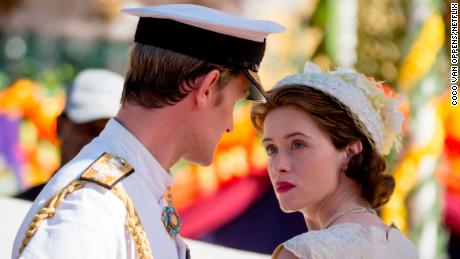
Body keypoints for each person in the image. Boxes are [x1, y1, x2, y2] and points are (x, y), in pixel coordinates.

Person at [12, 4, 284, 259]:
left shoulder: (133, 189)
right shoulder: (89, 207)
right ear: (207, 88)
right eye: (233, 101)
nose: (230, 125)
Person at [250, 62, 418, 259]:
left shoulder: (306, 252)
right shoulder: (402, 247)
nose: (279, 166)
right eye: (271, 149)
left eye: (297, 145)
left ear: (350, 152)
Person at [15, 69, 124, 201]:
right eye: (88, 129)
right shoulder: (17, 208)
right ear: (60, 126)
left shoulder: (134, 217)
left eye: (108, 133)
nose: (96, 142)